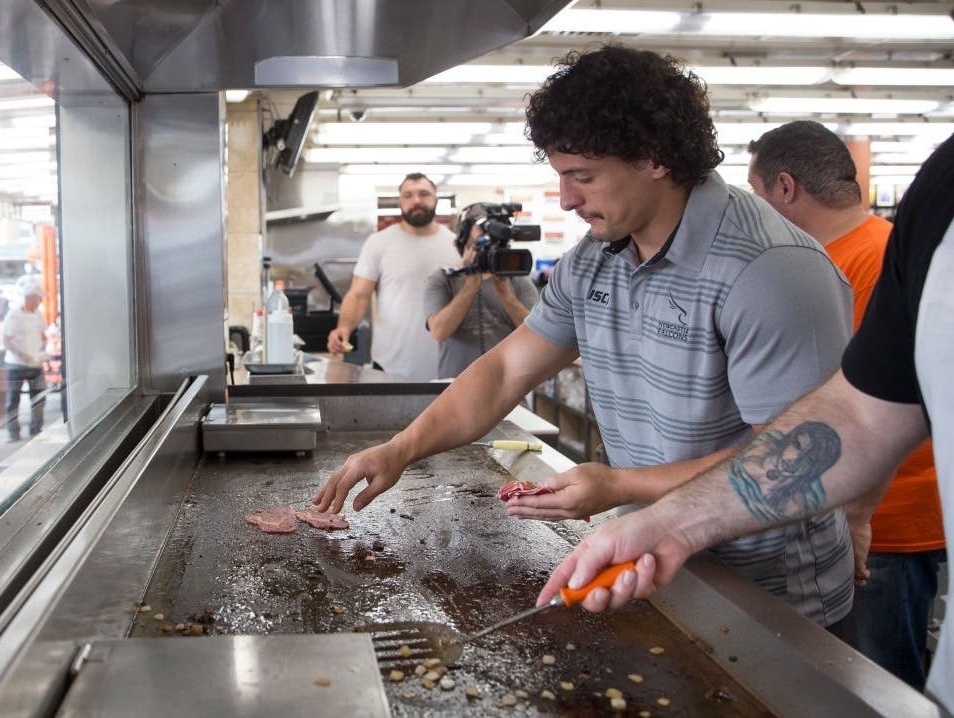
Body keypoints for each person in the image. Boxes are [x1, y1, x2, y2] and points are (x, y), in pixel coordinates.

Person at [315, 45, 857, 628]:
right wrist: (401, 449)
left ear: (656, 158)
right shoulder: (597, 258)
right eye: (562, 177)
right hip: (650, 563)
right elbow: (505, 371)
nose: (568, 200)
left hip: (769, 598)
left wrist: (619, 484)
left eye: (583, 177)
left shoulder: (770, 270)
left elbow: (799, 458)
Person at [539, 132, 954, 715]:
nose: (566, 199)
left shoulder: (784, 264)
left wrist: (861, 515)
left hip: (809, 563)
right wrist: (670, 523)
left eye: (582, 175)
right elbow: (858, 419)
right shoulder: (941, 195)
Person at [748, 120, 945, 690]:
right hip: (865, 510)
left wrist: (857, 516)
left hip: (884, 521)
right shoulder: (856, 251)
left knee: (879, 684)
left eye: (757, 195)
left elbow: (867, 408)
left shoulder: (862, 262)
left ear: (785, 188)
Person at [326, 173, 458, 380]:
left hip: (447, 368)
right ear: (400, 201)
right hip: (390, 367)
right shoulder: (379, 242)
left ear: (436, 199)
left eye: (424, 194)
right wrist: (344, 328)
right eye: (408, 195)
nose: (416, 200)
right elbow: (359, 295)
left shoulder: (456, 245)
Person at [422, 203, 539, 378]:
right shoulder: (442, 279)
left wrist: (507, 296)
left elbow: (538, 335)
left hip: (508, 388)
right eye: (482, 229)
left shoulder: (518, 280)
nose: (488, 237)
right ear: (463, 236)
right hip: (456, 388)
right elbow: (439, 332)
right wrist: (469, 288)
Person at [2, 275, 48, 442]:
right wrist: (22, 354)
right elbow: (6, 340)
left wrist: (42, 350)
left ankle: (36, 429)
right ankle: (13, 432)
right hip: (16, 365)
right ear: (30, 297)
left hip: (35, 363)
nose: (40, 301)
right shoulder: (13, 315)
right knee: (13, 399)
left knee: (39, 397)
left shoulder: (38, 315)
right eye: (38, 298)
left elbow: (43, 334)